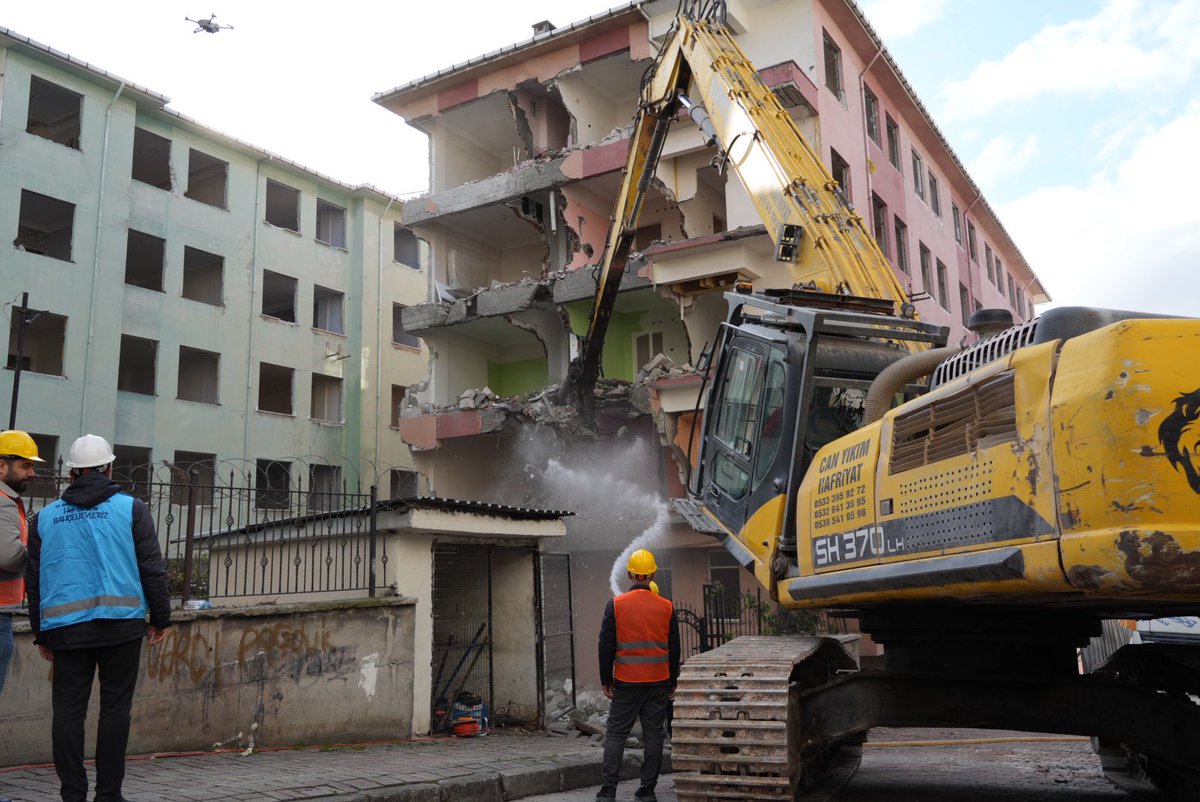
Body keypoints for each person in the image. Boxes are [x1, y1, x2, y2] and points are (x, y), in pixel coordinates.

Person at [26, 434, 171, 802]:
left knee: (68, 714)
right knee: (115, 711)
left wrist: (41, 633)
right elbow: (151, 567)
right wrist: (162, 618)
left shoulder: (45, 517)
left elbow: (35, 579)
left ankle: (72, 794)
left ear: (72, 472)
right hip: (121, 626)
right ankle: (109, 795)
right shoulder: (131, 509)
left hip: (66, 629)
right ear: (109, 467)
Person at [596, 548, 680, 802]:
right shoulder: (666, 606)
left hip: (626, 682)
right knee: (654, 735)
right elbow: (674, 648)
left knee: (616, 734)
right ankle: (647, 791)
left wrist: (605, 680)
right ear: (652, 574)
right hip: (657, 683)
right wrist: (672, 681)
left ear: (631, 574)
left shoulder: (616, 605)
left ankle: (608, 791)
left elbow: (605, 646)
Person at [0, 431, 43, 802]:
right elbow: (9, 557)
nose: (31, 473)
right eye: (25, 465)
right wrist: (40, 548)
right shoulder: (1, 501)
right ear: (1, 466)